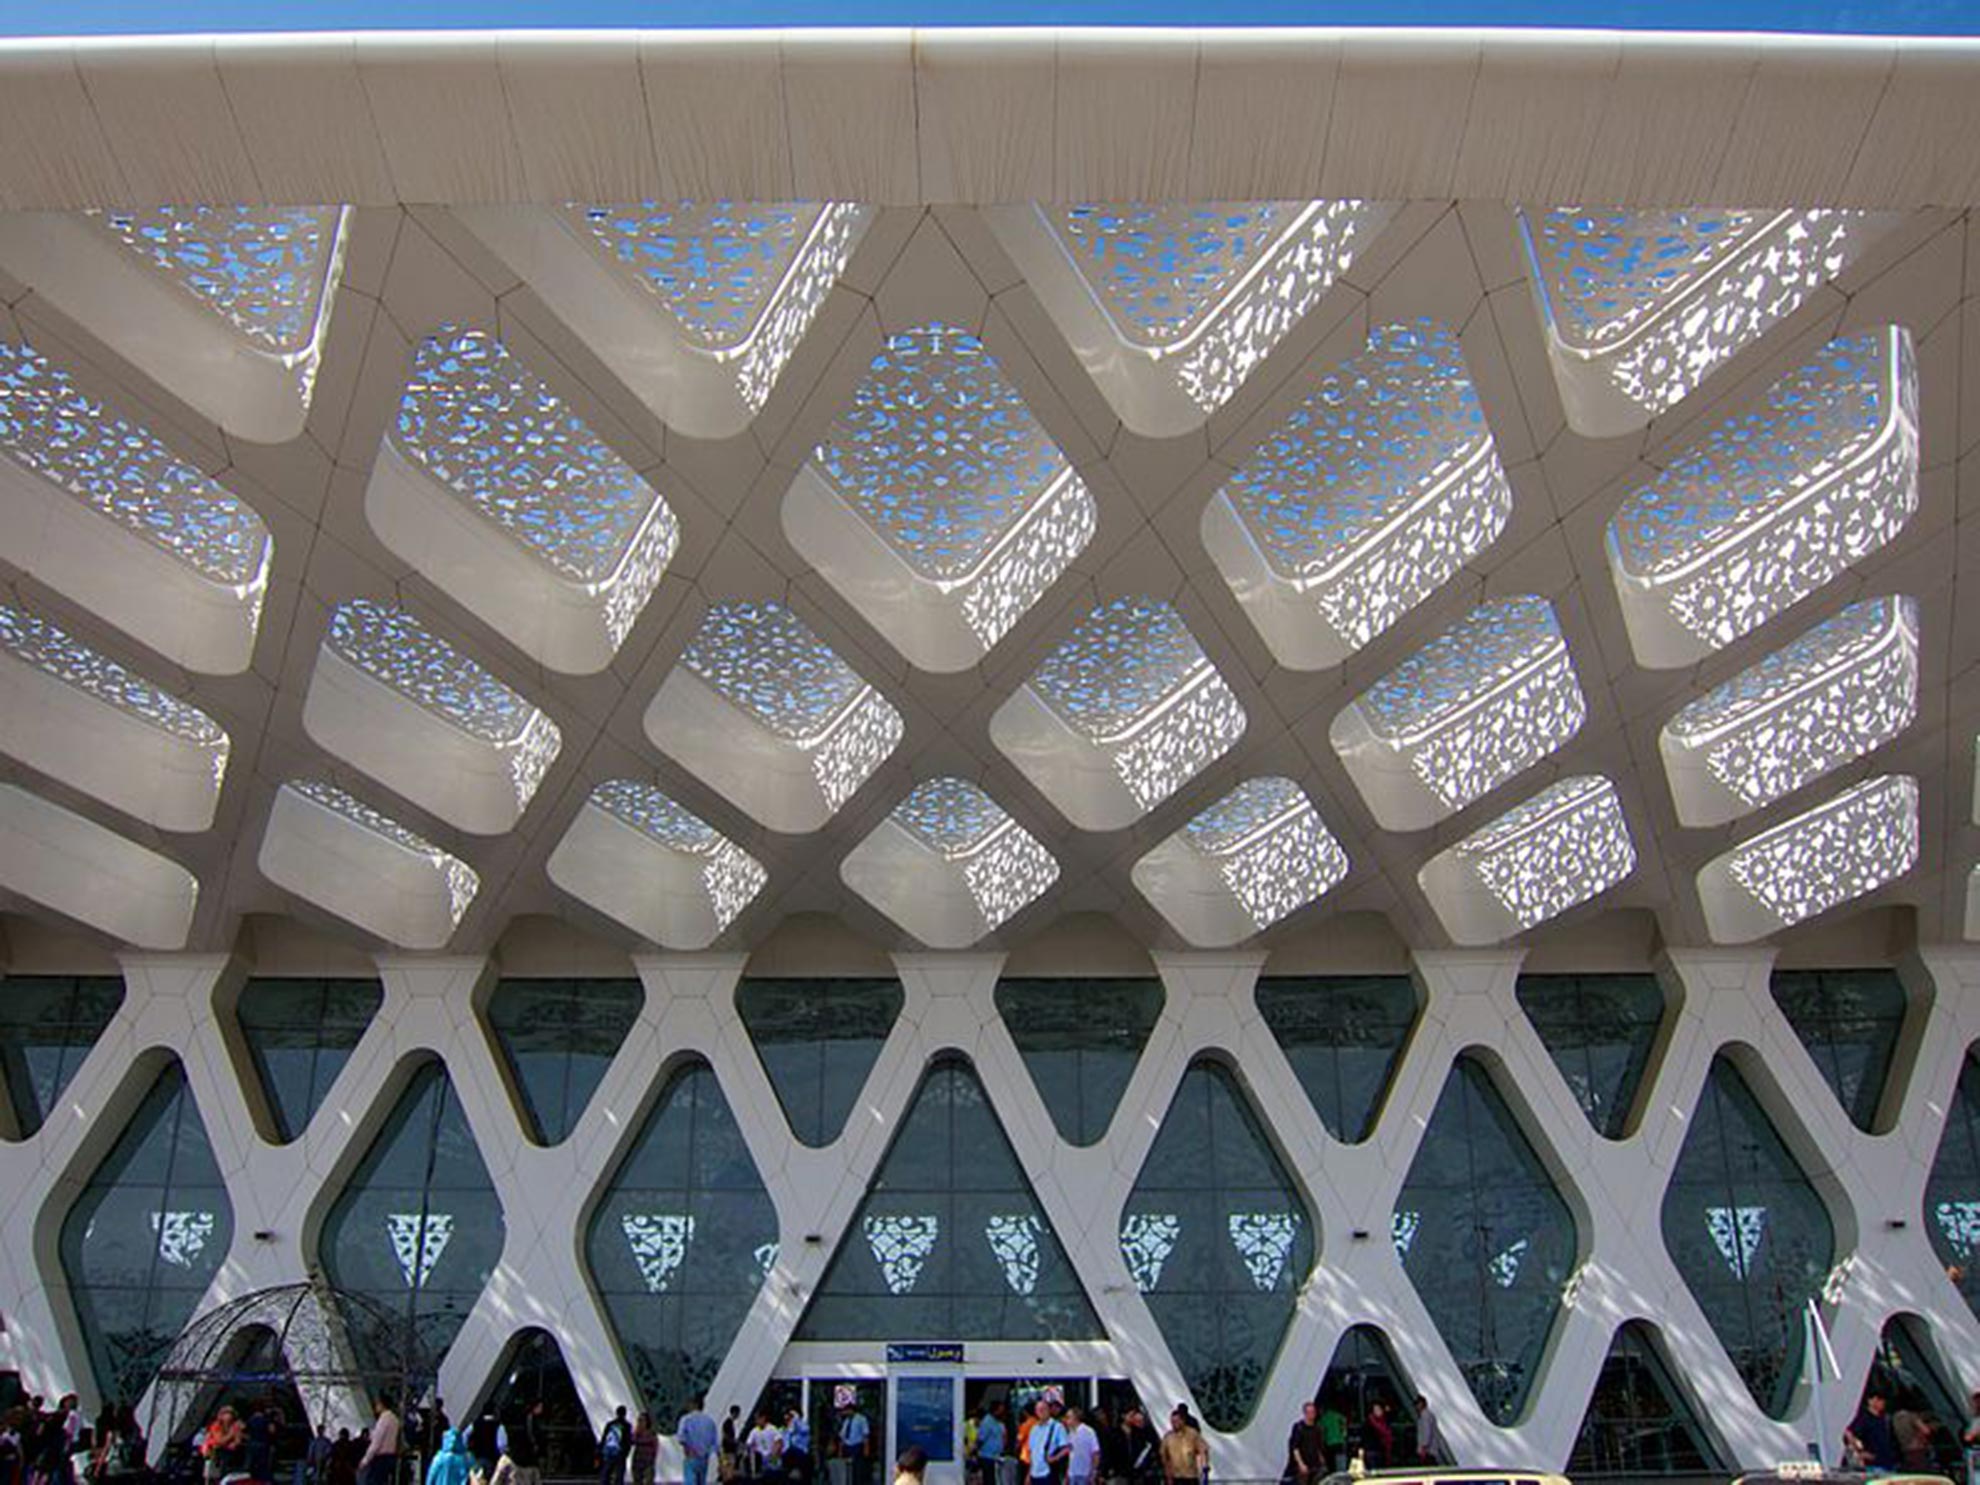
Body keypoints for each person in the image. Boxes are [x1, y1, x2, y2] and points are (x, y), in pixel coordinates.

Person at [1846, 1395, 1900, 1472]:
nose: (1883, 1403)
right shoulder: (1863, 1419)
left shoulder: (1885, 1418)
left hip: (1888, 1462)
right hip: (1874, 1465)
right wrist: (1860, 1452)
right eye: (1879, 1400)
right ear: (1871, 1401)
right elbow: (1849, 1434)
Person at [359, 1396, 402, 1485]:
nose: (376, 1406)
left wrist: (365, 1459)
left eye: (378, 1404)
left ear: (382, 1405)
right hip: (391, 1456)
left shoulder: (383, 1419)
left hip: (381, 1458)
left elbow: (376, 1442)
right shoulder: (395, 1419)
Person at [1025, 1401, 1067, 1485]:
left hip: (1048, 1472)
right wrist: (1028, 1475)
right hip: (1034, 1474)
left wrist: (1055, 1458)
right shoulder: (1034, 1429)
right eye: (1038, 1410)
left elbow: (1066, 1448)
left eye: (1043, 1409)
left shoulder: (1057, 1427)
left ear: (1049, 1410)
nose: (1041, 1412)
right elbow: (1032, 1454)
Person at [678, 1401, 719, 1485]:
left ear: (693, 1405)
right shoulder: (710, 1421)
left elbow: (681, 1437)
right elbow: (715, 1442)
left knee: (690, 1480)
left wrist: (688, 1449)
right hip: (704, 1457)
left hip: (691, 1455)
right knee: (701, 1481)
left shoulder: (686, 1419)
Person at [1158, 1411, 1204, 1485]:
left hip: (1191, 1476)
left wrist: (1204, 1468)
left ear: (1182, 1421)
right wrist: (1168, 1476)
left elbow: (1203, 1450)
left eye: (1176, 1421)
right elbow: (1164, 1457)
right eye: (1172, 1422)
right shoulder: (1168, 1437)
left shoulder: (1192, 1434)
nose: (1174, 1424)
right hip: (1176, 1477)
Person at [1284, 1404, 1322, 1485]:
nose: (1312, 1414)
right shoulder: (1299, 1428)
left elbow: (1318, 1446)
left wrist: (1321, 1460)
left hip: (1314, 1464)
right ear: (1305, 1413)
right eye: (1309, 1412)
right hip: (1301, 1464)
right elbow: (1295, 1448)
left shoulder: (1317, 1428)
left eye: (1313, 1412)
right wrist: (1300, 1463)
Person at [838, 1403, 870, 1485]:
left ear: (851, 1410)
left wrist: (866, 1449)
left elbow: (865, 1435)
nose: (844, 1413)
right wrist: (841, 1450)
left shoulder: (861, 1419)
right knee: (847, 1468)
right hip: (847, 1446)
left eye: (846, 1411)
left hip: (857, 1445)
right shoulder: (846, 1421)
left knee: (857, 1469)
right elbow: (842, 1436)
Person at [598, 1407, 632, 1485]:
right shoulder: (626, 1425)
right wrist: (626, 1452)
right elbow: (628, 1440)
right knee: (619, 1474)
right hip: (620, 1452)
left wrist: (601, 1450)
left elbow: (604, 1438)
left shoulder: (610, 1424)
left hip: (609, 1451)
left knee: (606, 1472)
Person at [1065, 1410, 1099, 1485]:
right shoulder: (1070, 1432)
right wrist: (1067, 1474)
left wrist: (1094, 1472)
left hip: (1085, 1473)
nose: (1066, 1420)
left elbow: (1095, 1453)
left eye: (1068, 1417)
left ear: (1075, 1418)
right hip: (1072, 1473)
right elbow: (1071, 1454)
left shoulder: (1088, 1431)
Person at [744, 1415, 781, 1483]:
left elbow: (778, 1442)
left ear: (763, 1418)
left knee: (774, 1473)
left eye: (758, 1419)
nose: (756, 1422)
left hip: (772, 1457)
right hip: (761, 1458)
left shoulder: (772, 1428)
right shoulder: (754, 1431)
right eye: (755, 1420)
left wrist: (774, 1455)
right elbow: (748, 1444)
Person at [1412, 1398, 1443, 1467]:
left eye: (1417, 1405)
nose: (1416, 1407)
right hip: (1430, 1449)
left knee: (1428, 1466)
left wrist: (1424, 1446)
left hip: (1428, 1450)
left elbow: (1427, 1432)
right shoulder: (1428, 1415)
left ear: (1421, 1404)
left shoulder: (1425, 1416)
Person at [784, 1411, 812, 1485]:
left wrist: (796, 1419)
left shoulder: (803, 1427)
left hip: (801, 1458)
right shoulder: (786, 1431)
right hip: (789, 1460)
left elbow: (805, 1429)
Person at [1363, 1404, 1393, 1472]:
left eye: (1379, 1409)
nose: (1378, 1411)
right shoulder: (1370, 1422)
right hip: (1372, 1450)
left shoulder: (1384, 1421)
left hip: (1381, 1450)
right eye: (1376, 1410)